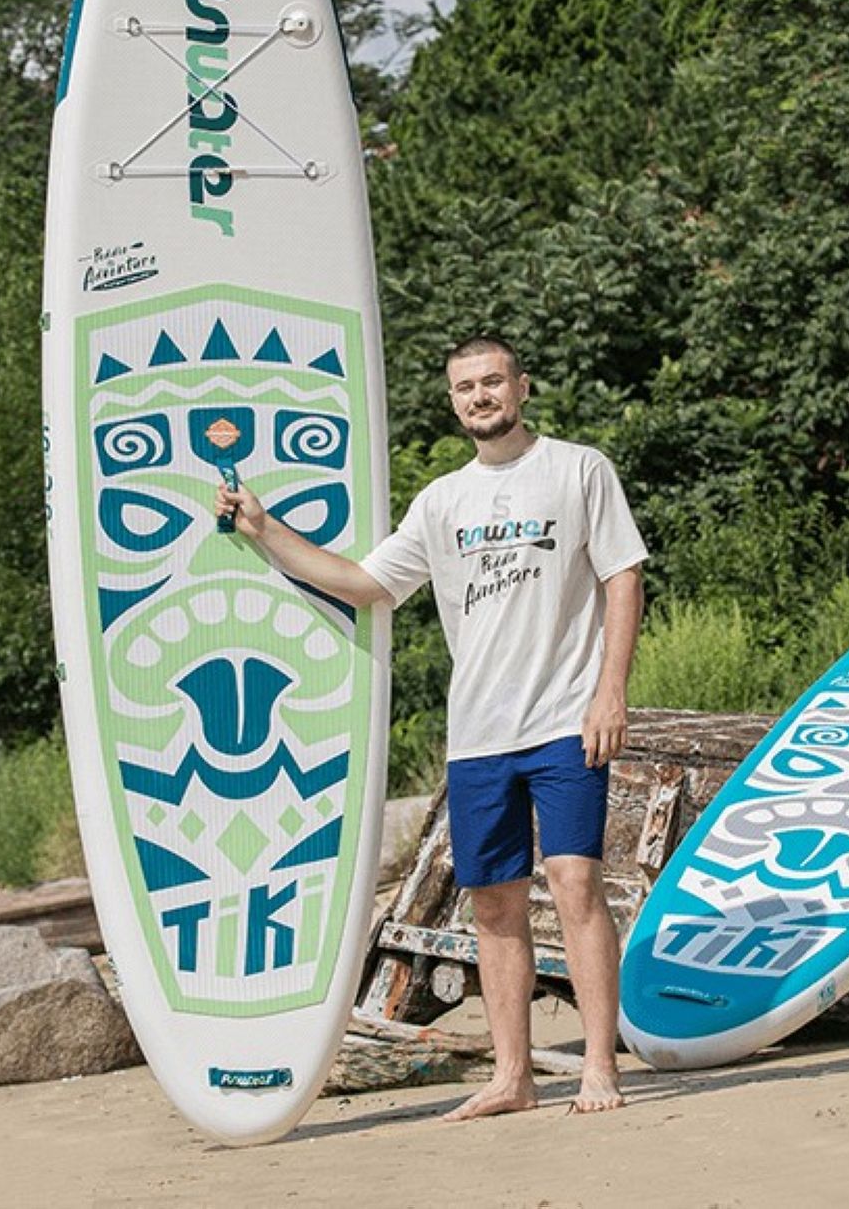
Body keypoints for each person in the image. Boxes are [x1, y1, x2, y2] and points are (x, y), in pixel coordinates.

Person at [216, 335, 646, 1119]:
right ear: (453, 401)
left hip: (564, 718)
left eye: (492, 381)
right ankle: (512, 1077)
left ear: (522, 386)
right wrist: (264, 529)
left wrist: (609, 692)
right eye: (465, 387)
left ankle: (597, 1067)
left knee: (575, 882)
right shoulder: (442, 501)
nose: (480, 396)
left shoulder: (579, 469)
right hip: (479, 734)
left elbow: (623, 575)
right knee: (493, 904)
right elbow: (364, 584)